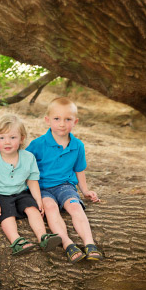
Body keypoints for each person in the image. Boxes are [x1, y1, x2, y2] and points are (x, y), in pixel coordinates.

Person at [26, 97, 103, 263]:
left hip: (65, 186)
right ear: (47, 120)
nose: (62, 124)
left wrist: (85, 191)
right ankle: (68, 244)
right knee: (51, 208)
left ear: (75, 122)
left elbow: (79, 170)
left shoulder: (77, 145)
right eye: (57, 119)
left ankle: (90, 244)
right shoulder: (37, 144)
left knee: (75, 207)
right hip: (43, 188)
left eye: (67, 119)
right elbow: (24, 166)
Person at [0, 115, 61, 255]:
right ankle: (17, 241)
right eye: (2, 138)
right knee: (6, 214)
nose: (7, 142)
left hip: (21, 192)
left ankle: (43, 237)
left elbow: (32, 180)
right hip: (0, 194)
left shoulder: (28, 157)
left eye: (13, 137)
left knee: (32, 209)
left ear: (22, 138)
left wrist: (38, 199)